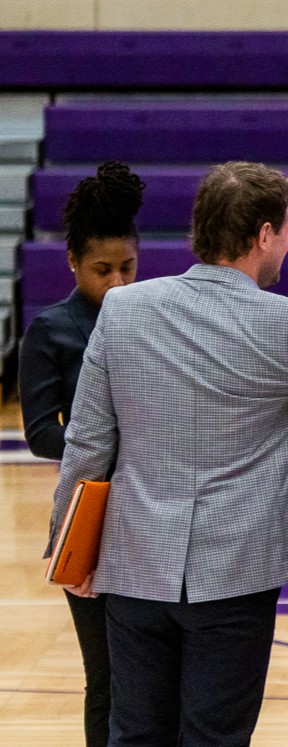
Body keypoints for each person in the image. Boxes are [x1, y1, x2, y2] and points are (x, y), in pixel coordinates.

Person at [49, 161, 288, 747]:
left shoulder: (124, 309)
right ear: (263, 236)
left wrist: (67, 550)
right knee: (214, 736)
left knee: (135, 733)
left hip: (131, 564)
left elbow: (88, 442)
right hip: (236, 573)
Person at [20, 161, 144, 747]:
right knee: (110, 678)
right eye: (102, 270)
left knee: (152, 678)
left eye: (128, 267)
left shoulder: (151, 316)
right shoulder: (52, 329)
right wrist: (107, 441)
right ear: (72, 262)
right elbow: (43, 433)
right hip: (90, 514)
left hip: (151, 509)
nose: (117, 282)